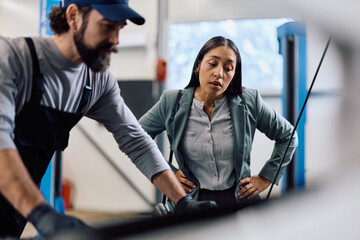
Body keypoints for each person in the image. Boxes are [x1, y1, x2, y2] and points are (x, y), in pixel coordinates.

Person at [0, 0, 215, 238]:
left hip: (14, 208)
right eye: (107, 26)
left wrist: (183, 202)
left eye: (120, 28)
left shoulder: (97, 81)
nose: (116, 40)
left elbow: (137, 141)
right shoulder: (12, 58)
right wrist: (44, 215)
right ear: (73, 17)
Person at [139, 36, 298, 208]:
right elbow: (137, 138)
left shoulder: (250, 101)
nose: (219, 73)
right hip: (190, 200)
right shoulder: (171, 102)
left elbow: (288, 137)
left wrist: (266, 177)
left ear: (234, 74)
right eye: (213, 64)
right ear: (198, 66)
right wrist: (168, 173)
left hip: (238, 200)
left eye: (228, 68)